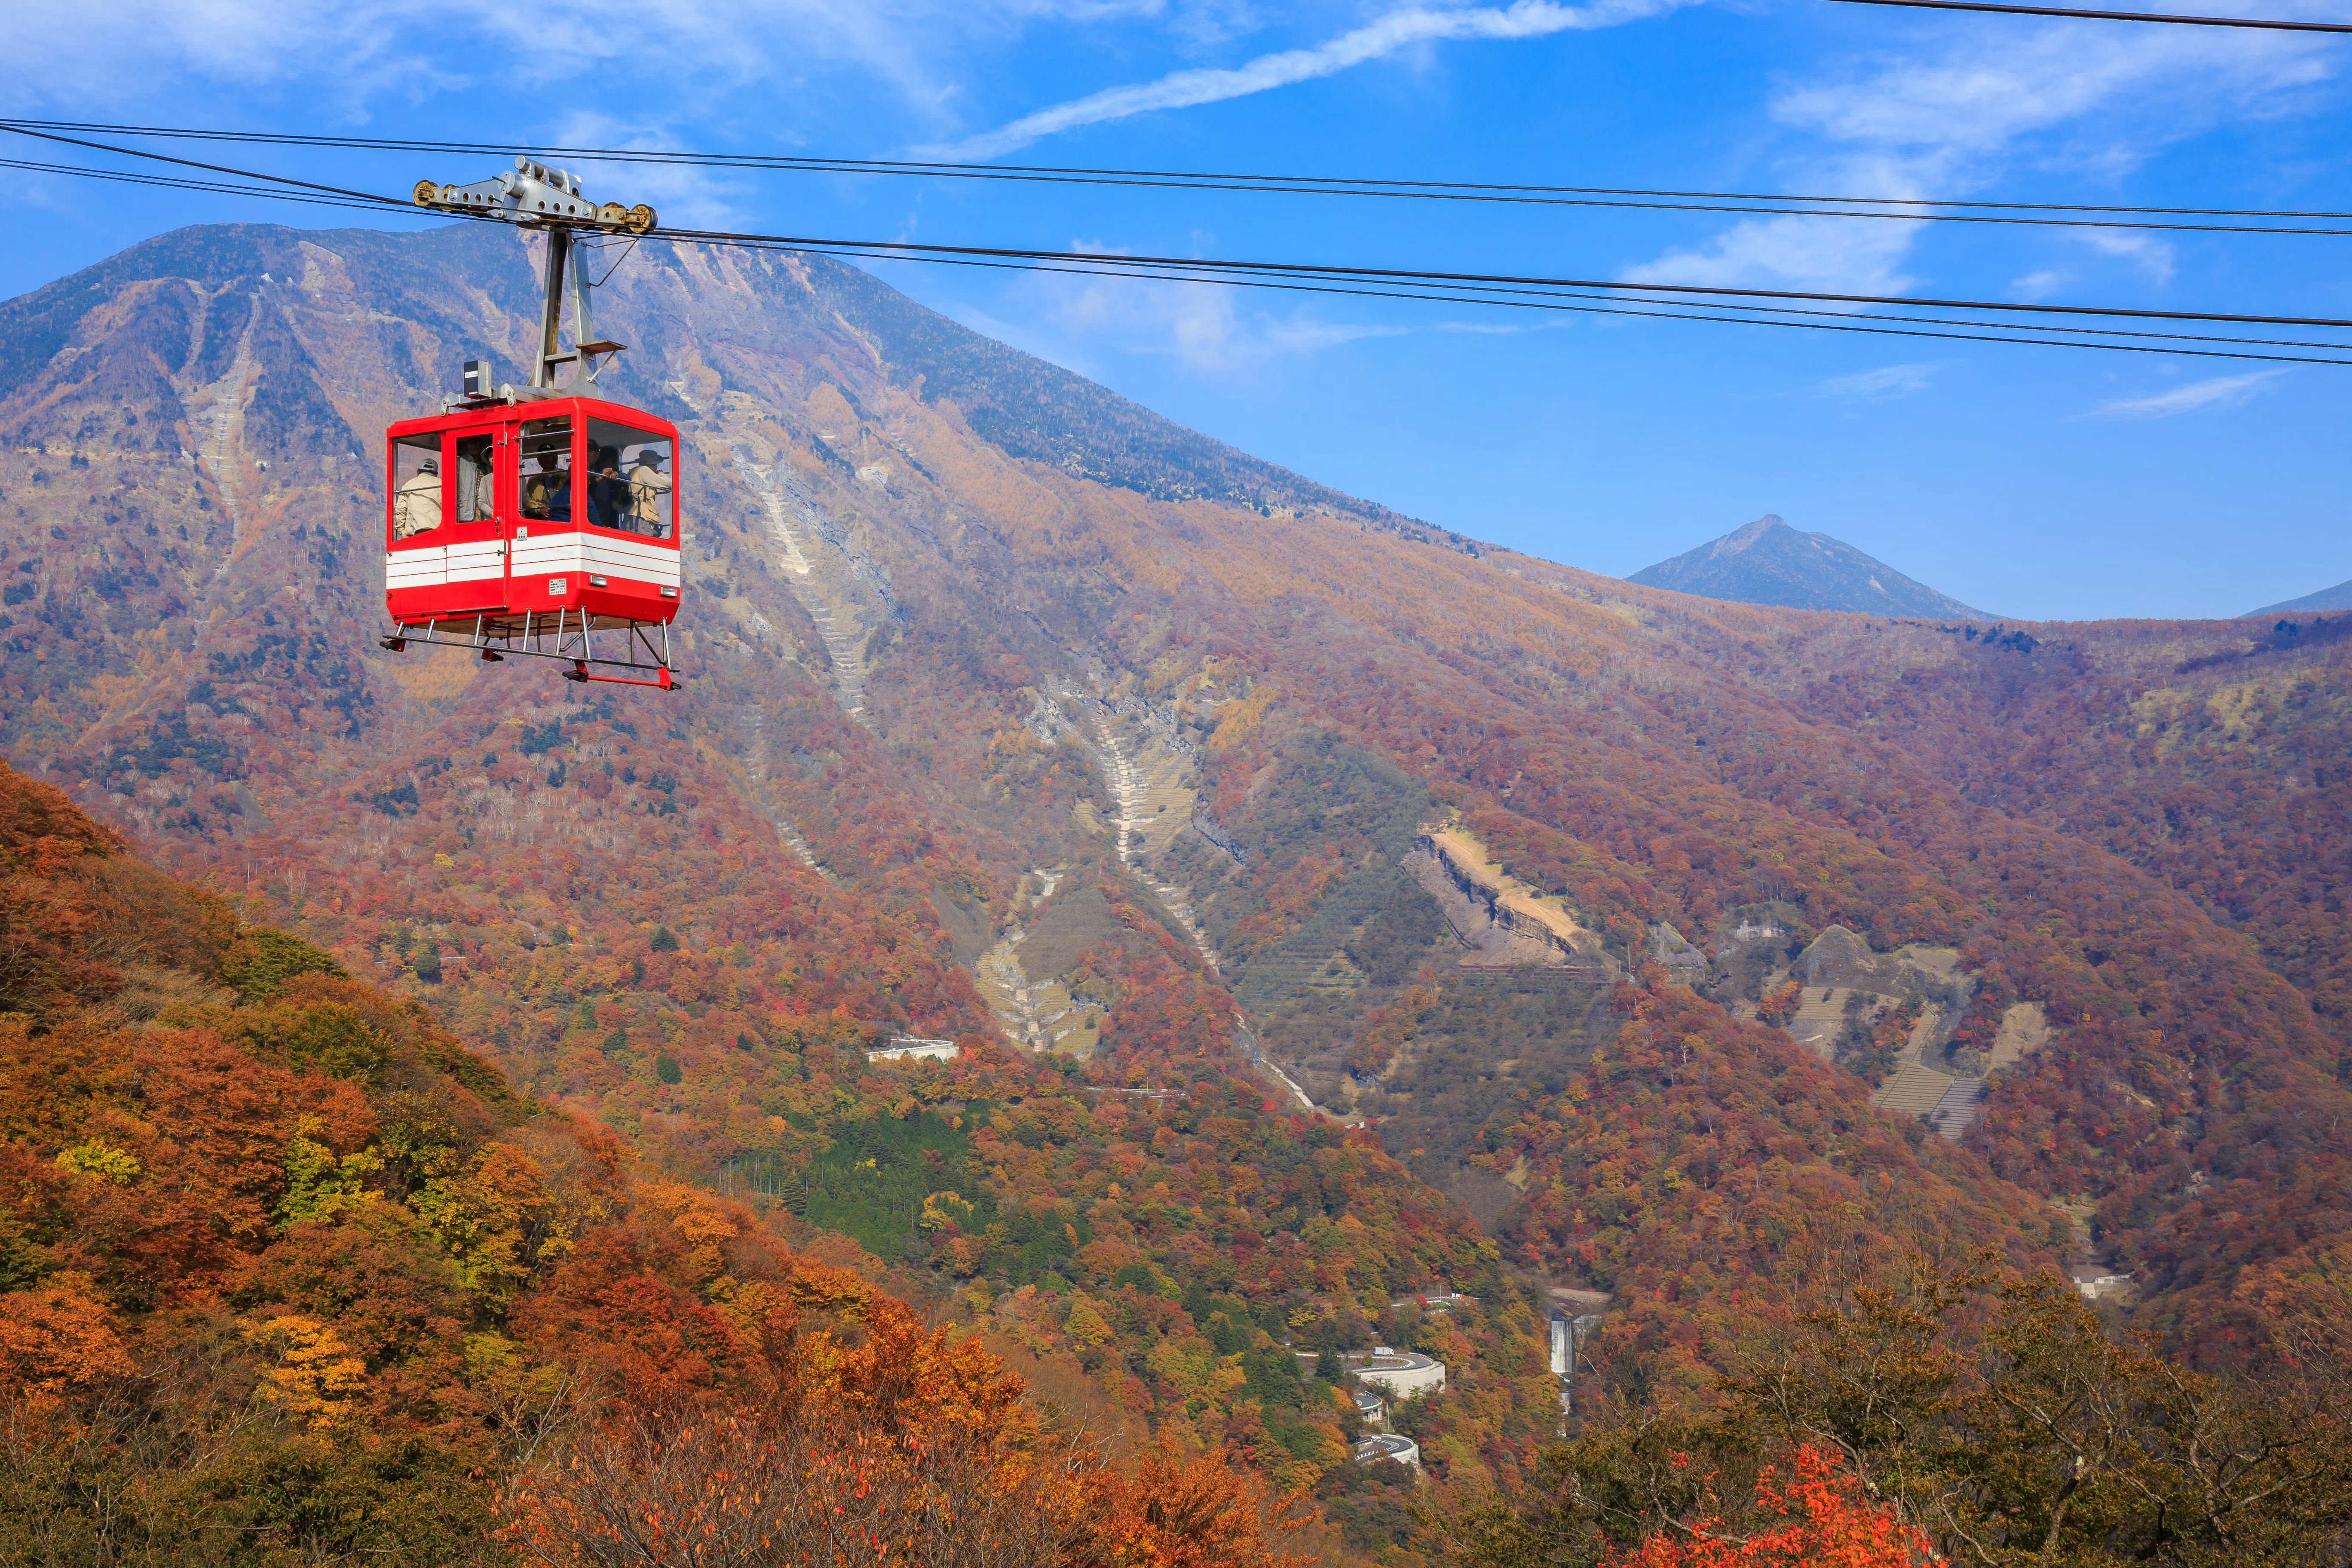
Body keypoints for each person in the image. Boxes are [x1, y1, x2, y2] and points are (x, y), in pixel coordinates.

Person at [627, 447, 672, 538]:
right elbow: (668, 484)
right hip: (640, 519)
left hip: (634, 519)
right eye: (655, 464)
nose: (656, 467)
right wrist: (661, 474)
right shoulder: (643, 470)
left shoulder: (634, 471)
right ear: (651, 464)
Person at [393, 454, 441, 540]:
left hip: (415, 530)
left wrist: (402, 531)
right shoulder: (442, 483)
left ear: (418, 472)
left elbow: (400, 509)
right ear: (436, 473)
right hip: (438, 530)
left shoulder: (408, 485)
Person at [585, 445, 623, 530]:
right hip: (594, 523)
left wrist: (617, 475)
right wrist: (600, 478)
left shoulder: (614, 480)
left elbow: (627, 479)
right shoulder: (594, 478)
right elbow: (586, 493)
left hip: (611, 523)